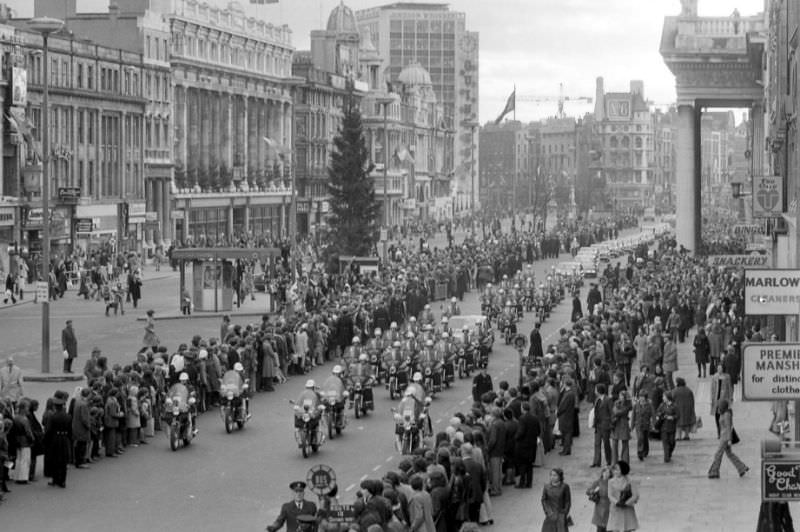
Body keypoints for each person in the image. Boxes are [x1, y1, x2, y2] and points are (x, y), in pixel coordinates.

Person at [708, 399, 749, 479]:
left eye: (719, 406)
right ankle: (741, 468)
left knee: (718, 454)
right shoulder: (722, 413)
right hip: (723, 437)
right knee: (730, 454)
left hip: (725, 438)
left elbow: (729, 427)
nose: (718, 407)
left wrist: (729, 439)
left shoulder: (727, 414)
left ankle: (714, 471)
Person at [43, 393, 72, 488]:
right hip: (64, 438)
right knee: (63, 460)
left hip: (55, 439)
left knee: (55, 459)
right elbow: (70, 429)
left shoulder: (53, 416)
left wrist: (45, 440)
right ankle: (62, 481)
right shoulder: (68, 416)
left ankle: (55, 479)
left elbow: (49, 430)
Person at [606, 460, 639, 532]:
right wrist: (617, 502)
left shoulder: (630, 481)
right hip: (615, 509)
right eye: (615, 469)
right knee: (615, 529)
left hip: (627, 509)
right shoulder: (610, 481)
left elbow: (635, 495)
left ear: (623, 470)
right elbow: (610, 495)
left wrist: (626, 503)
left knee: (627, 528)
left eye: (617, 469)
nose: (615, 471)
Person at [515, 401, 540, 488]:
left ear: (523, 409)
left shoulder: (522, 418)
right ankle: (529, 482)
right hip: (532, 445)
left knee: (522, 465)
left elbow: (521, 432)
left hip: (523, 445)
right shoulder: (535, 418)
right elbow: (538, 431)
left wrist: (516, 437)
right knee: (530, 465)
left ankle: (522, 482)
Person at [541, 468, 571, 532]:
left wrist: (565, 512)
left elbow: (567, 501)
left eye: (555, 475)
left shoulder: (565, 486)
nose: (552, 477)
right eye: (551, 475)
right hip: (550, 515)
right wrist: (548, 512)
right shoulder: (546, 487)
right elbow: (544, 500)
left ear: (560, 476)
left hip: (561, 515)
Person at [592, 383, 613, 468]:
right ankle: (596, 462)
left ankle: (609, 461)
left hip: (605, 425)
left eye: (595, 389)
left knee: (606, 443)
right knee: (597, 443)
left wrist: (611, 424)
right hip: (598, 425)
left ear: (598, 391)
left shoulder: (608, 400)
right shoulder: (597, 400)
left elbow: (611, 412)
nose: (594, 391)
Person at [710, 364, 732, 437]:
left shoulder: (727, 376)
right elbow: (712, 389)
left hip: (724, 400)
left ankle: (724, 432)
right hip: (716, 399)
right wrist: (712, 399)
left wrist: (730, 398)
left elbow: (730, 388)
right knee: (717, 416)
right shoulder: (714, 377)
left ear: (723, 369)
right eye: (718, 368)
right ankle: (719, 431)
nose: (719, 370)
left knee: (723, 416)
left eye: (720, 368)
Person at [587, 466, 611, 532]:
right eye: (605, 472)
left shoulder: (612, 482)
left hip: (609, 506)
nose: (606, 474)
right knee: (600, 527)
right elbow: (588, 491)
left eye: (608, 472)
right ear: (602, 473)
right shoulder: (597, 482)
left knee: (609, 527)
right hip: (599, 506)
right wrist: (594, 491)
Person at [656, 391, 677, 463]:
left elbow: (678, 415)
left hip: (672, 427)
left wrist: (672, 417)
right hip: (664, 427)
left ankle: (669, 453)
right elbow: (658, 412)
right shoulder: (662, 405)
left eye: (663, 396)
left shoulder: (674, 406)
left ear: (668, 397)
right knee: (665, 442)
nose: (662, 398)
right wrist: (659, 415)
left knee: (672, 442)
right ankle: (666, 457)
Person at [557, 378, 577, 455]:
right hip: (569, 415)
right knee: (567, 433)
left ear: (565, 384)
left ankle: (566, 450)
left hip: (565, 416)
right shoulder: (571, 393)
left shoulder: (567, 394)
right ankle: (567, 449)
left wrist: (558, 412)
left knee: (566, 434)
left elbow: (562, 406)